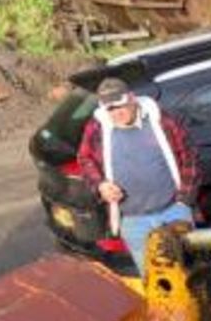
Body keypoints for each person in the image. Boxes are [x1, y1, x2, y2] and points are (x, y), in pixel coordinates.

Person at [75, 76, 199, 275]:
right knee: (154, 278)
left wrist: (184, 201)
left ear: (132, 98)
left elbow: (189, 156)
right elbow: (85, 158)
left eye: (120, 105)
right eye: (110, 109)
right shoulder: (97, 127)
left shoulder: (161, 119)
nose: (116, 113)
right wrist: (100, 185)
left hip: (173, 211)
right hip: (133, 221)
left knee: (190, 271)